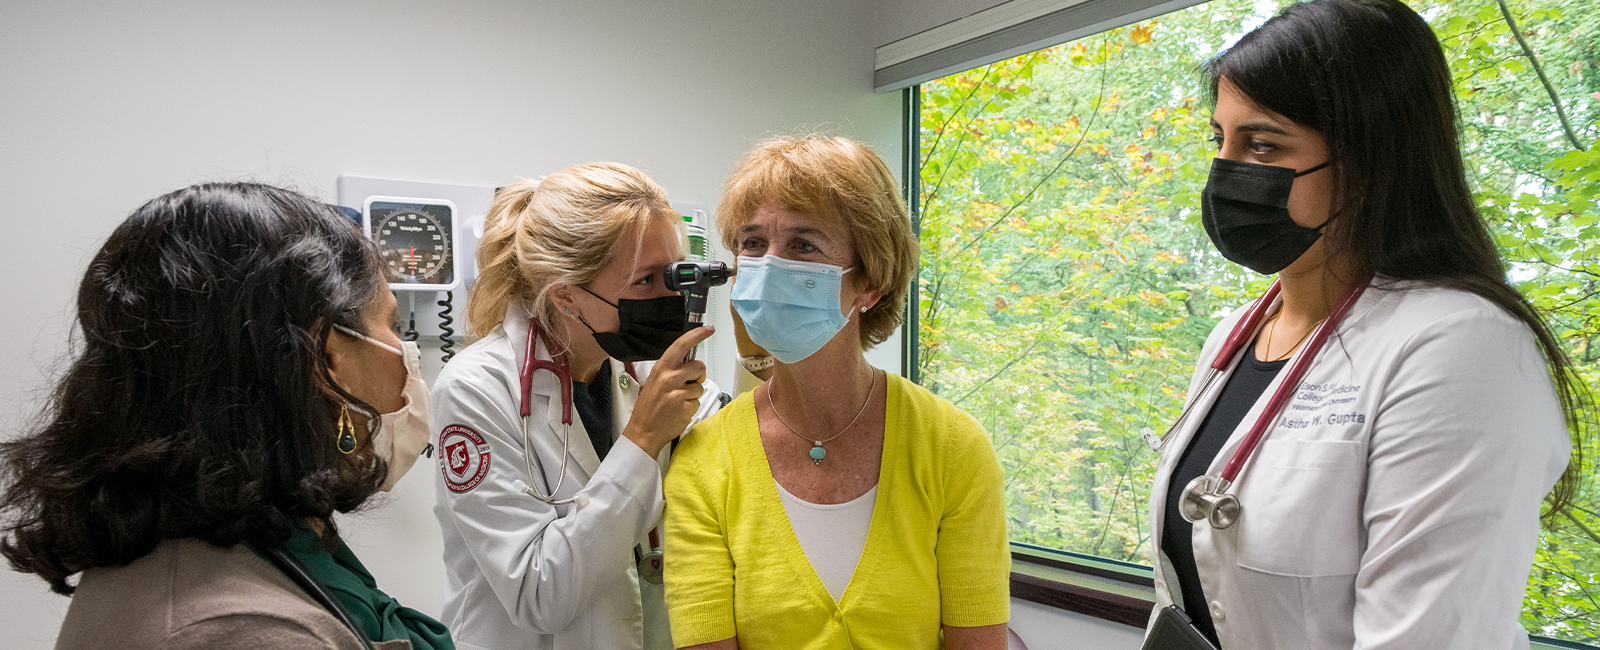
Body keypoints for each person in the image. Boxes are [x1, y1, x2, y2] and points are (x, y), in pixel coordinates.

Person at [1145, 1, 1590, 648]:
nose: (1225, 172)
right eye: (1221, 140)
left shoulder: (1461, 348)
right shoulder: (1237, 334)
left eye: (1263, 144)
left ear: (1372, 158)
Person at [0, 182, 451, 650]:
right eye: (394, 325)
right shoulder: (245, 629)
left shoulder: (242, 539)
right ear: (325, 359)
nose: (403, 353)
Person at [663, 135, 1011, 650]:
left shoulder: (951, 448)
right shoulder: (703, 463)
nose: (768, 265)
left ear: (869, 282)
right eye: (753, 244)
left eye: (803, 245)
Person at [431, 163, 724, 650]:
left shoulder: (641, 368)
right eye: (647, 280)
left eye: (674, 273)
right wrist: (643, 440)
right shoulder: (475, 388)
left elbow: (738, 432)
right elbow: (538, 595)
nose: (672, 296)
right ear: (568, 297)